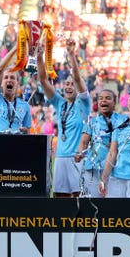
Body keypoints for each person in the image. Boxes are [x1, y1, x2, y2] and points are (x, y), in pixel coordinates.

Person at [38, 38, 91, 197]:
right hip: (60, 157)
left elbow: (76, 76)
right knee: (60, 196)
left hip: (77, 157)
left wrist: (71, 54)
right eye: (66, 84)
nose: (68, 86)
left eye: (71, 84)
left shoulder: (84, 102)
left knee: (77, 196)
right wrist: (40, 57)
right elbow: (43, 80)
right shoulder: (60, 102)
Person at [0, 45, 31, 134]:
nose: (9, 79)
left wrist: (26, 131)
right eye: (6, 77)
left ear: (17, 83)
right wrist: (16, 48)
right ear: (1, 83)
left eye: (12, 77)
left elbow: (27, 132)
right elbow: (0, 69)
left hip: (16, 146)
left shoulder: (25, 106)